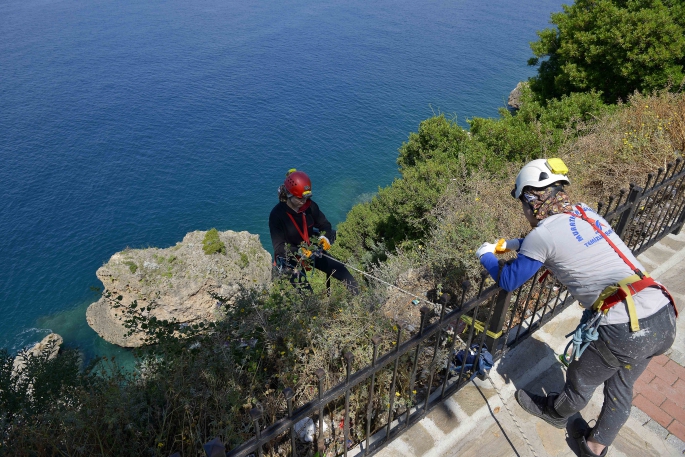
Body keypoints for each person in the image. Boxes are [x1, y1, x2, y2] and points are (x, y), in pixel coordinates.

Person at [475, 158, 677, 457]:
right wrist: (517, 244)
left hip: (625, 329)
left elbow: (508, 279)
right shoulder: (584, 211)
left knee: (580, 379)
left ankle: (555, 414)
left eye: (523, 202)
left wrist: (486, 255)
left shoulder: (542, 235)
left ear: (532, 199)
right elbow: (565, 241)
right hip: (661, 315)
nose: (524, 210)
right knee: (621, 387)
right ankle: (594, 446)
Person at [269, 169, 359, 294]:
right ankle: (313, 310)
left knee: (342, 271)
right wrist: (300, 251)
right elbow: (279, 247)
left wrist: (325, 238)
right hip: (291, 256)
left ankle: (363, 300)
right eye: (300, 198)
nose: (304, 202)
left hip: (312, 248)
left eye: (307, 198)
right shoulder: (277, 215)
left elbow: (324, 225)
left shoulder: (309, 206)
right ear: (290, 195)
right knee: (306, 294)